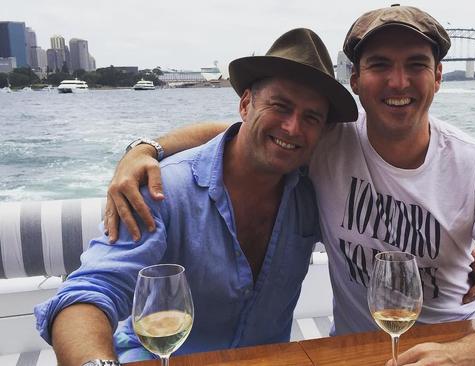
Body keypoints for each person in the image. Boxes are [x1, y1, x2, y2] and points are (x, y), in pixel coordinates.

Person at [106, 5, 475, 365]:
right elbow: (246, 132)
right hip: (357, 349)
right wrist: (144, 149)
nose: (398, 81)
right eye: (380, 64)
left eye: (417, 65)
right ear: (356, 80)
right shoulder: (325, 141)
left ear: (438, 77)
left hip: (458, 342)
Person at [34, 28, 360, 366]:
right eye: (280, 105)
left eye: (311, 117)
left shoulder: (313, 191)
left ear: (323, 131)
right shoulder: (164, 189)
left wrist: (149, 145)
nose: (293, 127)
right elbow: (87, 293)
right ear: (246, 104)